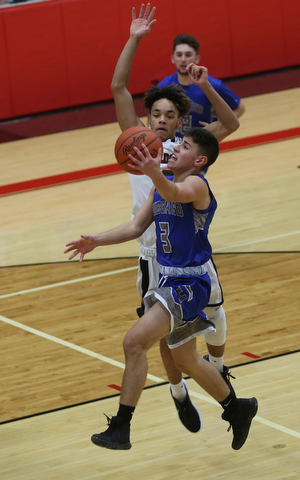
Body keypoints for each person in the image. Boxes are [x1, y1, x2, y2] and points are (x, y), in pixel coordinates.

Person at [64, 121, 258, 451]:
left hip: (191, 282)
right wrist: (96, 240)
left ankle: (122, 427)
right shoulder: (161, 185)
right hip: (168, 278)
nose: (174, 149)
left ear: (199, 160)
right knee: (186, 361)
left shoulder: (197, 186)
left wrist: (153, 171)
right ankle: (238, 409)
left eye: (183, 147)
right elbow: (136, 226)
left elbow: (174, 193)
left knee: (134, 342)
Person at [110, 3, 238, 434]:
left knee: (216, 319)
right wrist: (135, 37)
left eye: (169, 116)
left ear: (181, 121)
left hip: (189, 254)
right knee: (162, 339)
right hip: (151, 252)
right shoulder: (136, 144)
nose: (160, 121)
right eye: (155, 115)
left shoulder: (187, 153)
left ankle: (221, 378)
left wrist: (207, 85)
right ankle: (179, 392)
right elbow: (119, 87)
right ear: (147, 119)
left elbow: (230, 124)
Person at [157, 33, 245, 135]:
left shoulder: (213, 85)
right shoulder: (162, 87)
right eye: (179, 55)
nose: (183, 59)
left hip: (202, 147)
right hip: (173, 147)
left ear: (197, 59)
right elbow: (152, 120)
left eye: (188, 55)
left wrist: (217, 127)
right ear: (173, 58)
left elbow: (239, 108)